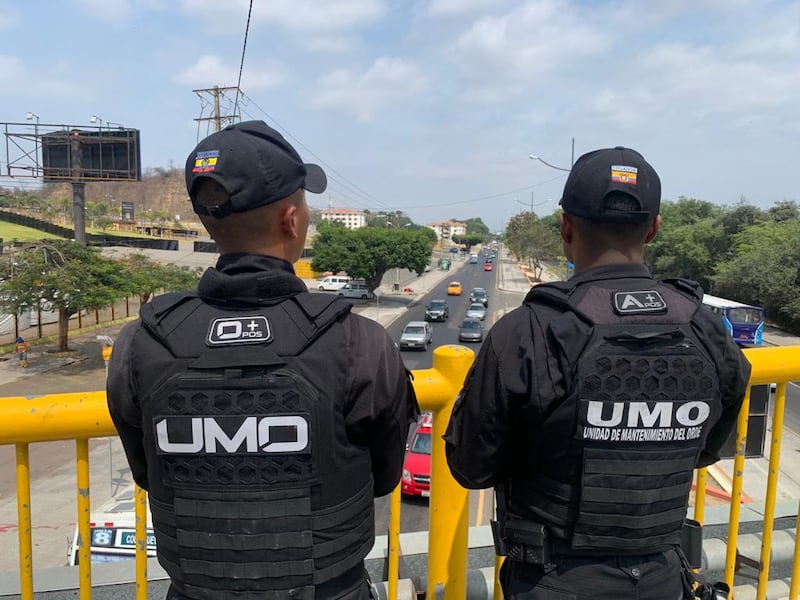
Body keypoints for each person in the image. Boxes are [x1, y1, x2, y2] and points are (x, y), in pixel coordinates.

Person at [107, 120, 418, 600]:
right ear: (292, 220)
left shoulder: (140, 343)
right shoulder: (361, 342)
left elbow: (149, 472)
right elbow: (383, 477)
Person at [445, 146, 750, 599]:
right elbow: (706, 451)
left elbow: (471, 468)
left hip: (554, 581)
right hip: (663, 578)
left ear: (566, 228)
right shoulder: (706, 329)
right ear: (654, 229)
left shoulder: (528, 330)